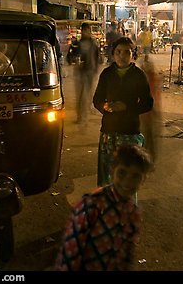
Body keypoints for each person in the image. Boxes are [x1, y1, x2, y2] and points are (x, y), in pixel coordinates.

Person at [54, 143, 154, 271]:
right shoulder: (92, 203)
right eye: (122, 173)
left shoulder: (134, 212)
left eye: (136, 176)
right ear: (112, 171)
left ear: (143, 180)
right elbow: (71, 248)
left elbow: (128, 250)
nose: (128, 182)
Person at [92, 36, 154, 186]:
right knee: (107, 176)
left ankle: (126, 207)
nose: (122, 56)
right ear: (113, 54)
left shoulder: (138, 75)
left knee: (127, 179)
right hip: (108, 131)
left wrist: (127, 107)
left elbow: (148, 103)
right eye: (118, 52)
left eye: (127, 52)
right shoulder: (106, 74)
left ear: (133, 54)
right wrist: (104, 107)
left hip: (130, 132)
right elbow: (97, 99)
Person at [75, 22, 101, 124]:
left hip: (90, 70)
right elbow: (71, 55)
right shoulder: (77, 43)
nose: (86, 32)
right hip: (81, 72)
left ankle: (85, 114)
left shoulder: (94, 43)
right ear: (81, 31)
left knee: (89, 94)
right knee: (81, 95)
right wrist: (75, 61)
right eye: (84, 30)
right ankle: (80, 116)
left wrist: (96, 69)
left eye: (88, 30)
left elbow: (98, 57)